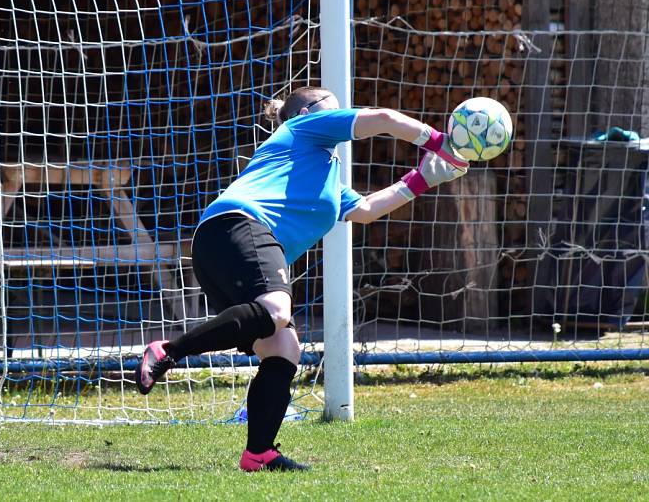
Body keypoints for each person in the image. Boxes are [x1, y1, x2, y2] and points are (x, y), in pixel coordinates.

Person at [135, 86, 468, 471]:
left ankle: (258, 453)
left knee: (283, 347)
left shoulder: (326, 175)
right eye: (334, 106)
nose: (342, 111)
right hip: (237, 227)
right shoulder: (304, 129)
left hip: (221, 245)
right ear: (308, 111)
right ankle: (168, 350)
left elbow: (365, 209)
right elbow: (385, 119)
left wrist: (426, 176)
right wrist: (439, 141)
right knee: (277, 310)